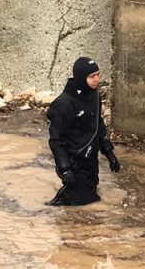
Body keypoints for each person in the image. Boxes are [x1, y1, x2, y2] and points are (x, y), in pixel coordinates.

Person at [46, 57, 122, 206]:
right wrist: (65, 168)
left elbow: (98, 125)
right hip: (74, 162)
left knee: (91, 197)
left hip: (90, 160)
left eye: (98, 75)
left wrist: (109, 153)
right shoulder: (64, 104)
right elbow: (56, 140)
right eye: (92, 76)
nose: (97, 80)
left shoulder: (94, 96)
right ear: (81, 77)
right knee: (73, 202)